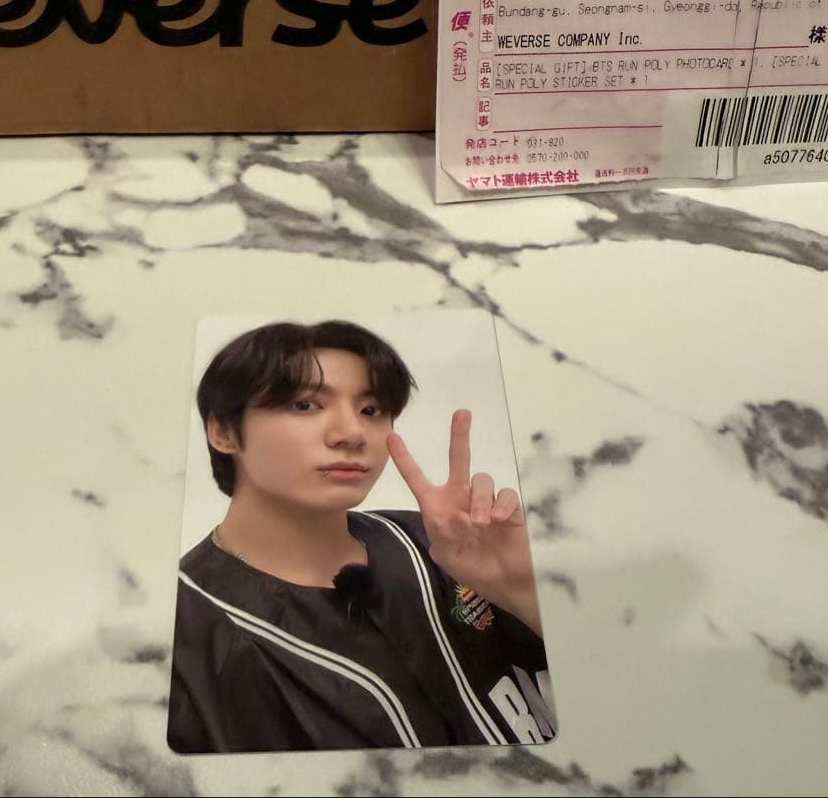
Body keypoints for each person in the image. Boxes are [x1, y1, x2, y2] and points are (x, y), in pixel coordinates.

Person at [167, 320, 555, 753]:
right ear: (223, 431)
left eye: (371, 410)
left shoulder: (445, 542)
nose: (352, 434)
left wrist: (527, 590)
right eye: (304, 405)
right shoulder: (182, 637)